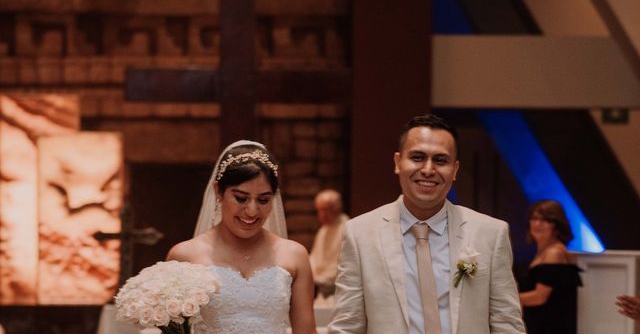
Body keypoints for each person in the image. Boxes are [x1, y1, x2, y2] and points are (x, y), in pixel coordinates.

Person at [328, 114, 525, 334]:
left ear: (455, 170)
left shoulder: (490, 233)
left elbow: (507, 323)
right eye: (417, 157)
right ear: (397, 162)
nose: (428, 170)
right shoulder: (360, 234)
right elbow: (347, 325)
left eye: (440, 160)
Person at [167, 140, 316, 334]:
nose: (252, 211)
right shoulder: (184, 255)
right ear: (218, 191)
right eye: (241, 198)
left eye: (263, 200)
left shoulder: (294, 255)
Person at [519, 200, 582, 334]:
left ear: (557, 225)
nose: (538, 224)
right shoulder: (543, 253)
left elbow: (539, 297)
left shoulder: (554, 253)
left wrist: (506, 299)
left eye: (545, 220)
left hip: (551, 328)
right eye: (534, 218)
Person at [309, 189, 349, 299]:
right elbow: (314, 258)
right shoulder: (323, 230)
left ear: (336, 209)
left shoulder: (347, 229)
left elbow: (343, 263)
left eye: (325, 210)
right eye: (319, 210)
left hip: (336, 289)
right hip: (319, 285)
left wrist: (322, 279)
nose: (321, 215)